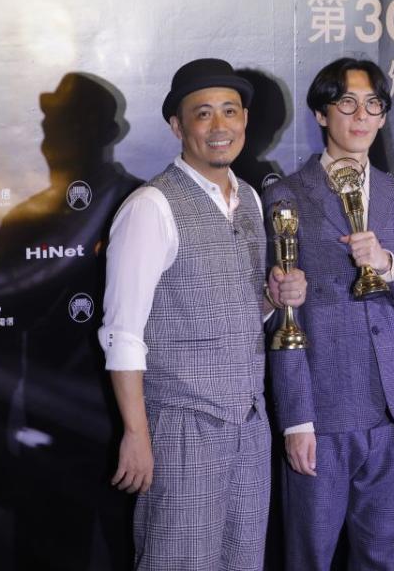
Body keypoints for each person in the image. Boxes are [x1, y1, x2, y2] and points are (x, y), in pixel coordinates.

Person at [100, 57, 306, 570]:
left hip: (249, 423)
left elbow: (235, 311)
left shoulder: (253, 201)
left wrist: (273, 298)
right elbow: (123, 333)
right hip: (182, 427)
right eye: (204, 114)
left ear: (245, 122)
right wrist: (137, 434)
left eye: (230, 112)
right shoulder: (152, 205)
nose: (220, 127)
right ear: (178, 126)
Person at [263, 57, 394, 570]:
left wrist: (386, 264)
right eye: (346, 103)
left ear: (383, 118)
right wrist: (296, 419)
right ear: (321, 113)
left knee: (382, 555)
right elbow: (282, 318)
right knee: (310, 556)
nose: (360, 116)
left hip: (393, 409)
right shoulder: (285, 197)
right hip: (324, 411)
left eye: (373, 105)